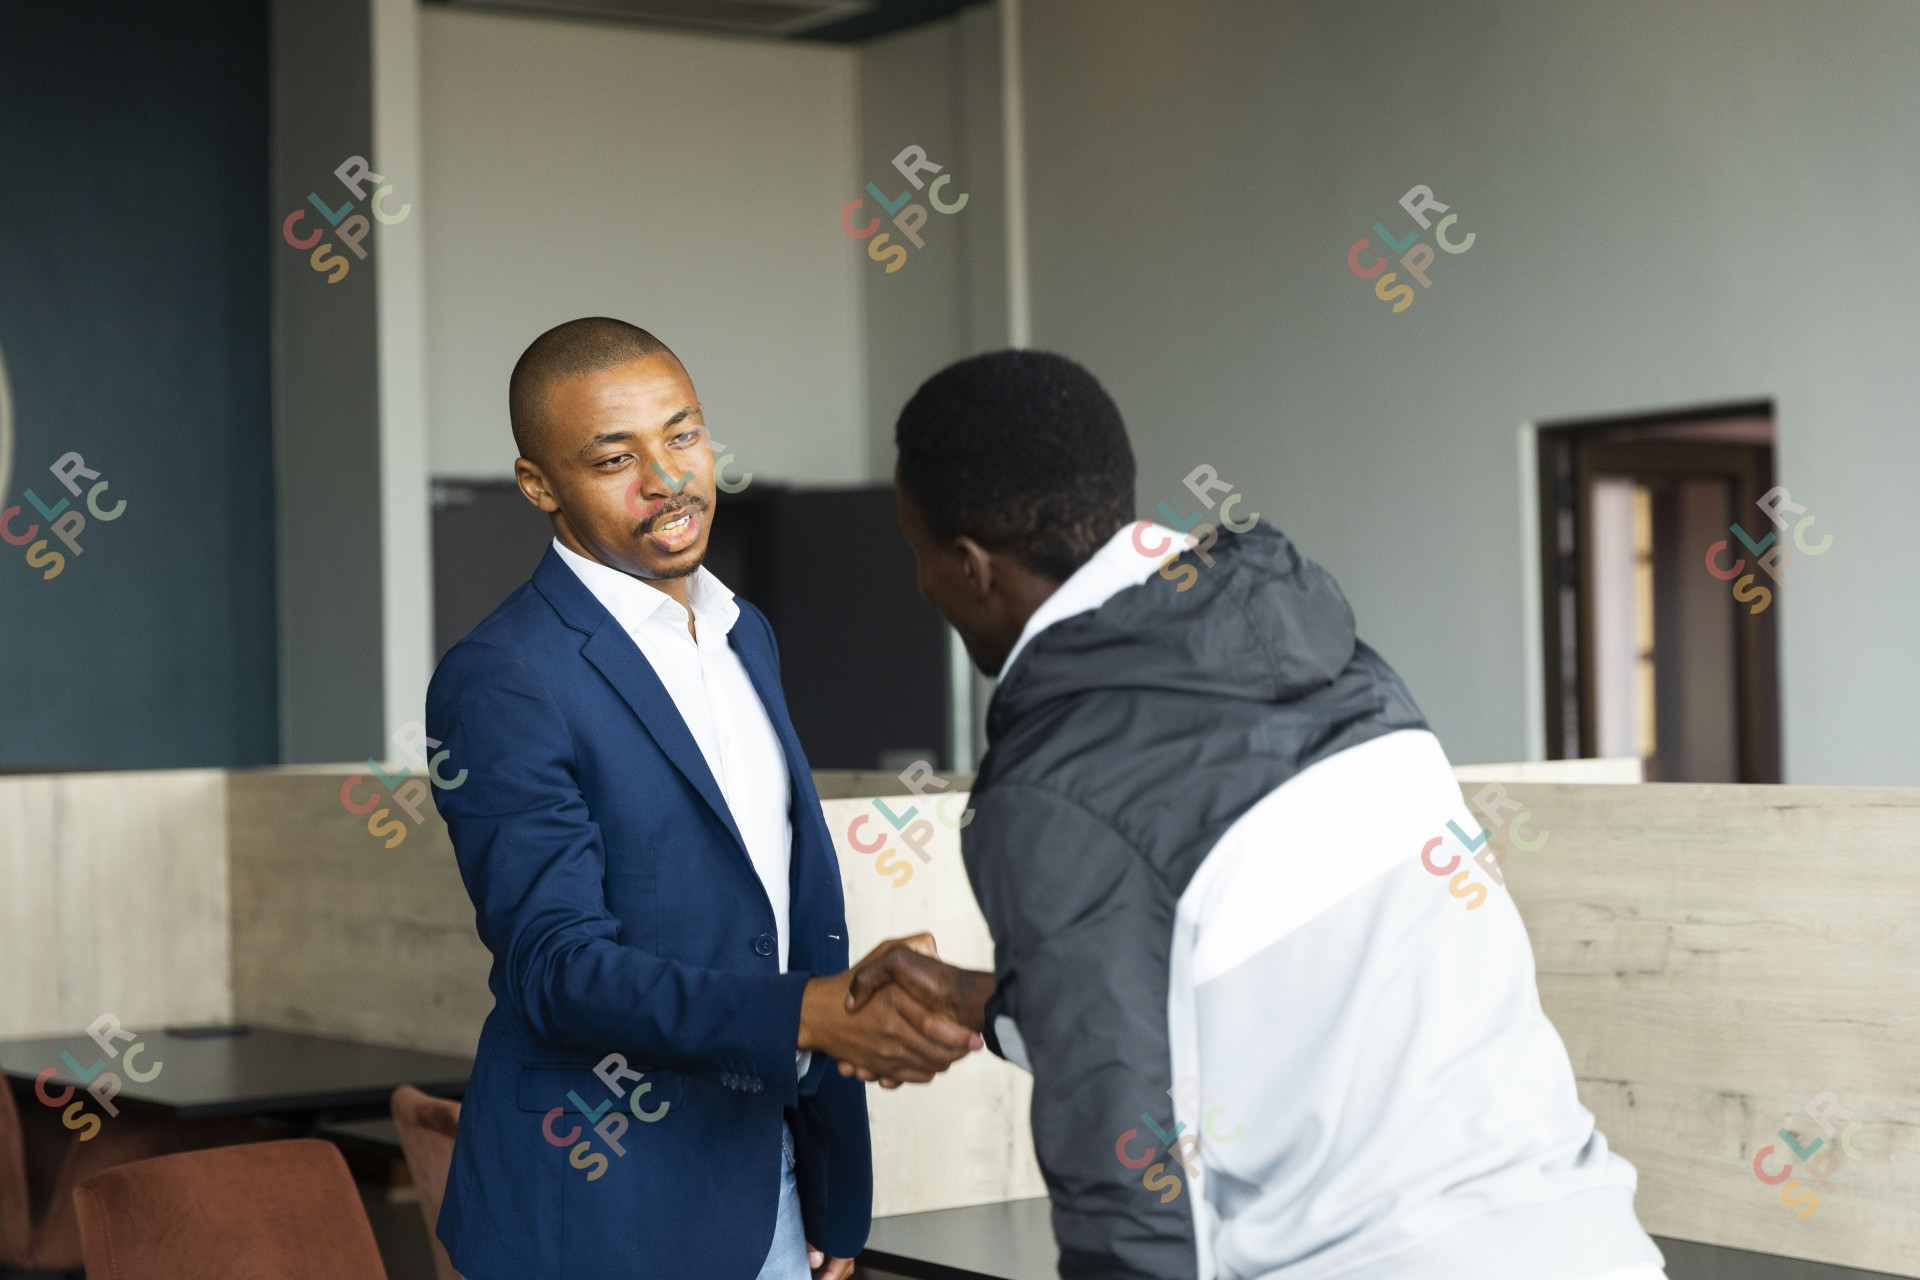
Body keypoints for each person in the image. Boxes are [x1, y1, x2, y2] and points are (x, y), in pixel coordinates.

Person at [843, 349, 1669, 1280]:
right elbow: (1239, 993)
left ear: (971, 565)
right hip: (1586, 1240)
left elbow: (1128, 1171)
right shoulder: (1334, 664)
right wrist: (976, 1003)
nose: (923, 589)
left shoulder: (1050, 789)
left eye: (918, 553)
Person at [426, 317, 978, 1280]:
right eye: (613, 458)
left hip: (763, 1182)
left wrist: (822, 1182)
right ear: (539, 486)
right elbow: (554, 969)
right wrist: (807, 1013)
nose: (667, 478)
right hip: (601, 1212)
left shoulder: (740, 633)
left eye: (683, 436)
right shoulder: (503, 677)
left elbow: (776, 915)